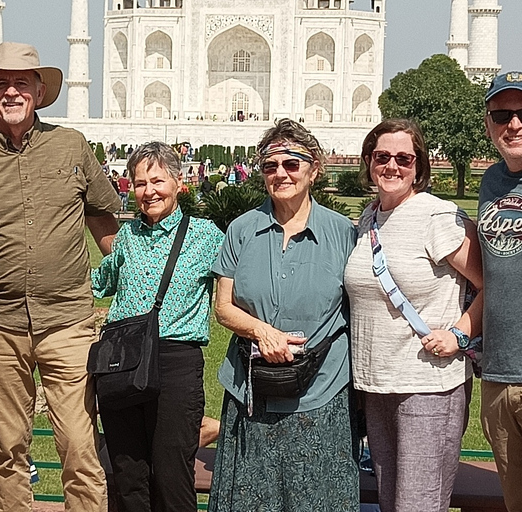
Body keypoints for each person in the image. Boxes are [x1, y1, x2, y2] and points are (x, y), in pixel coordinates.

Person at [0, 41, 120, 512]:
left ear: (39, 90)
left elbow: (104, 222)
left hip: (67, 320)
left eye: (21, 83)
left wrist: (134, 286)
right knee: (7, 453)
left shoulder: (70, 145)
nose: (12, 92)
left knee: (79, 448)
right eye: (2, 83)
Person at [209, 119, 358, 512]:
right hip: (252, 389)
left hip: (321, 390)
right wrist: (262, 331)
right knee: (250, 499)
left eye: (292, 164)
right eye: (270, 165)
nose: (281, 174)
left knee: (318, 499)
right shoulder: (243, 229)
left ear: (314, 168)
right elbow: (223, 306)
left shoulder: (342, 233)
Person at [344, 119, 482, 512]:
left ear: (419, 165)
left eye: (404, 158)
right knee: (390, 501)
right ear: (369, 161)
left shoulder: (437, 217)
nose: (392, 166)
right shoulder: (370, 219)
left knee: (418, 504)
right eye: (382, 156)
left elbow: (492, 284)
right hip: (376, 385)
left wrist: (460, 332)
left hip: (429, 384)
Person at [92, 141, 224, 511]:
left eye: (157, 181)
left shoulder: (206, 236)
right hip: (123, 358)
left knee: (171, 473)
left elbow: (238, 288)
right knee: (129, 472)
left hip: (174, 360)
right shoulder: (127, 238)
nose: (148, 192)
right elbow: (99, 282)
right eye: (139, 183)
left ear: (179, 182)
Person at [477, 71, 522, 512]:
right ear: (489, 124)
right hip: (500, 373)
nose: (514, 124)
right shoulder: (492, 182)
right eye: (502, 114)